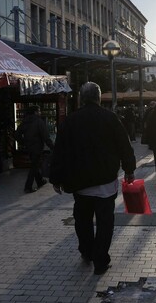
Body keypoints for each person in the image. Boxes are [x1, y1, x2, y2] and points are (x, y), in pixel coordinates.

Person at [49, 82, 136, 275]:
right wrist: (129, 170)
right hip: (106, 181)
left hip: (80, 182)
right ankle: (101, 260)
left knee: (83, 220)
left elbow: (60, 151)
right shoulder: (110, 118)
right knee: (105, 222)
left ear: (81, 98)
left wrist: (56, 178)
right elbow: (124, 145)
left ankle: (87, 251)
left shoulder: (71, 121)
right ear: (98, 97)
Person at [15, 105, 54, 193]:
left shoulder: (24, 121)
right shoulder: (39, 122)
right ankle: (28, 187)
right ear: (35, 112)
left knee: (35, 164)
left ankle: (40, 181)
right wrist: (52, 147)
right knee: (34, 166)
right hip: (37, 147)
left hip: (29, 147)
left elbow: (17, 134)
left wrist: (23, 142)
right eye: (39, 111)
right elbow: (45, 136)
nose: (40, 112)